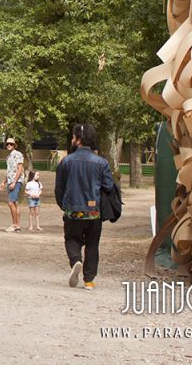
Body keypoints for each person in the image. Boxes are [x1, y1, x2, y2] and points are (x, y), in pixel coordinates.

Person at [54, 123, 115, 290]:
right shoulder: (101, 163)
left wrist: (64, 205)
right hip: (94, 211)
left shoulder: (65, 162)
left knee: (71, 239)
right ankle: (89, 280)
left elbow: (59, 188)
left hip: (72, 210)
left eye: (73, 137)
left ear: (78, 139)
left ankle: (76, 261)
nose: (72, 139)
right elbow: (109, 186)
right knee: (92, 244)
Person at [3, 138, 25, 232]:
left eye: (11, 144)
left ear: (14, 145)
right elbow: (9, 171)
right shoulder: (8, 157)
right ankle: (17, 225)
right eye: (7, 144)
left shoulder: (18, 154)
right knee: (15, 203)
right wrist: (4, 182)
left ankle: (15, 225)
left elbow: (20, 169)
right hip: (10, 181)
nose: (9, 145)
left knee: (11, 202)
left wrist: (15, 181)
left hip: (16, 181)